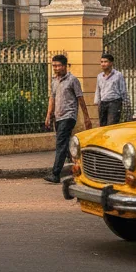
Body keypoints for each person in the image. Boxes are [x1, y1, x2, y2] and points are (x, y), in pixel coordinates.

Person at [44, 54, 91, 184]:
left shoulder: (72, 80)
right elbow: (52, 99)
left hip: (69, 116)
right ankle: (78, 169)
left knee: (61, 143)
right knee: (65, 144)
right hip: (58, 117)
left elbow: (80, 98)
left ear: (65, 66)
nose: (56, 68)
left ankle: (55, 174)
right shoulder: (54, 81)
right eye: (54, 65)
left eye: (58, 65)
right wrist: (49, 115)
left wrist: (86, 117)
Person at [93, 53, 128, 126]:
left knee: (111, 125)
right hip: (103, 103)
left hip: (114, 102)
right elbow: (98, 89)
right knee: (102, 125)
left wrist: (126, 103)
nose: (103, 64)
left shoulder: (118, 75)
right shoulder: (99, 76)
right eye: (101, 62)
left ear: (111, 63)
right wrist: (97, 102)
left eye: (105, 62)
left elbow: (123, 90)